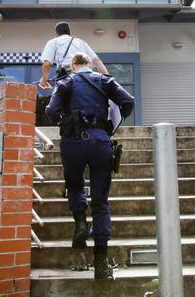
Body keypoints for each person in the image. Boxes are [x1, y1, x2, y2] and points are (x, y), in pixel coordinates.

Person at [45, 52, 135, 280]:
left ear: (73, 65)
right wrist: (109, 125)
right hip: (100, 142)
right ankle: (101, 264)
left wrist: (66, 118)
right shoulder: (105, 81)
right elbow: (128, 102)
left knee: (75, 186)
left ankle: (80, 225)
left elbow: (51, 112)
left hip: (72, 143)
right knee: (101, 201)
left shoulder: (65, 82)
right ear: (88, 64)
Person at [39, 21, 109, 89]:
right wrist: (108, 80)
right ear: (69, 32)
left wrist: (44, 79)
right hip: (85, 79)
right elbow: (97, 61)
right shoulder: (81, 42)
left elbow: (47, 64)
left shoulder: (53, 42)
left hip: (66, 79)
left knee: (58, 99)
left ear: (56, 33)